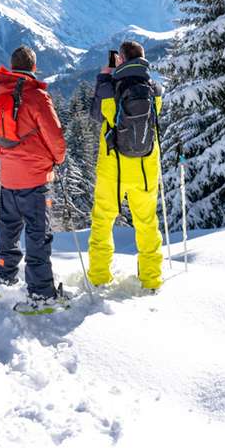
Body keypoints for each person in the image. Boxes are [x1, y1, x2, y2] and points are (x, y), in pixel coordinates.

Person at [0, 45, 69, 313]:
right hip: (36, 180)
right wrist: (57, 160)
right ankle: (40, 294)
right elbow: (55, 136)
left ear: (12, 66)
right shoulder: (37, 96)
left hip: (9, 178)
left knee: (8, 232)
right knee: (38, 236)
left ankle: (3, 280)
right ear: (34, 67)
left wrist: (1, 152)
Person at [87, 40, 164, 291]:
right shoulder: (154, 90)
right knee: (147, 225)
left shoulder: (111, 89)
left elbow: (96, 114)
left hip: (114, 170)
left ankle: (100, 278)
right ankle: (151, 280)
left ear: (120, 59)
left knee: (102, 222)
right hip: (146, 170)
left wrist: (104, 77)